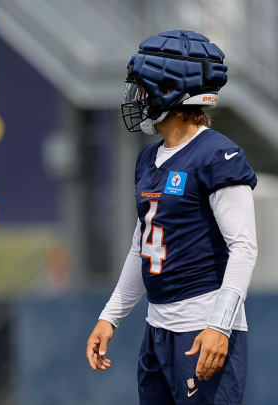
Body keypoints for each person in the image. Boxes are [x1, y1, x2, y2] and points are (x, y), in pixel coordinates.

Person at [86, 30, 257, 405]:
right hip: (158, 328)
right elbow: (141, 247)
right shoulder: (148, 159)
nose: (137, 97)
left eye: (144, 87)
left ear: (170, 89)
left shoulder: (217, 155)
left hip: (203, 328)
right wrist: (110, 316)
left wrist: (219, 325)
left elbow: (244, 247)